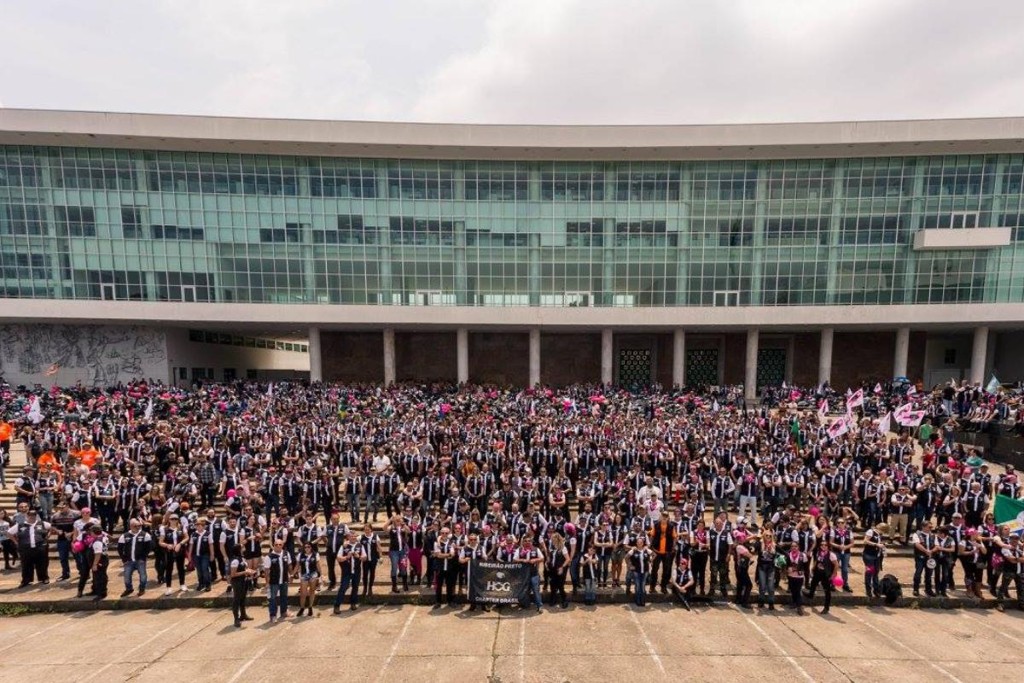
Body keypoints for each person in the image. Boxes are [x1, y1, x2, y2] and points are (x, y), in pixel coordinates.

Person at [14, 507, 51, 587]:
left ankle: (44, 578)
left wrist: (48, 536)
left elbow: (52, 528)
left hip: (40, 547)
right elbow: (9, 533)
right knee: (26, 565)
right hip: (26, 548)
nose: (32, 516)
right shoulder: (20, 525)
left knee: (42, 564)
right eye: (30, 515)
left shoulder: (42, 523)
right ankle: (26, 580)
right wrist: (16, 542)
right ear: (27, 516)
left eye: (34, 515)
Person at [117, 518, 152, 597]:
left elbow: (149, 547)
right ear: (131, 526)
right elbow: (120, 548)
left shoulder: (145, 535)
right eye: (135, 526)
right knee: (127, 576)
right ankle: (129, 588)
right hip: (128, 560)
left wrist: (143, 557)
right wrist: (124, 559)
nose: (138, 527)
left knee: (143, 575)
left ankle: (142, 588)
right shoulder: (124, 536)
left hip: (140, 560)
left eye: (139, 525)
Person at [333, 530, 365, 613]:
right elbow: (338, 558)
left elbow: (365, 558)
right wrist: (347, 557)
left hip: (357, 570)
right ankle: (337, 605)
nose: (353, 538)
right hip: (346, 570)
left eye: (355, 536)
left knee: (355, 587)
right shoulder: (344, 546)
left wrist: (359, 556)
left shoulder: (360, 545)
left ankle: (353, 603)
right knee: (343, 587)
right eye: (351, 536)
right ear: (348, 537)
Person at [158, 514, 189, 595]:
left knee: (181, 568)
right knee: (169, 569)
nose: (174, 520)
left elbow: (187, 537)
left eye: (175, 519)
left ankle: (182, 584)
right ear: (169, 519)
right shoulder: (164, 529)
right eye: (172, 519)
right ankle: (168, 587)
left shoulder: (181, 527)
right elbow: (160, 542)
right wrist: (167, 545)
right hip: (169, 551)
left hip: (180, 550)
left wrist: (180, 544)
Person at [805, 539, 838, 615]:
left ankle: (826, 607)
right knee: (813, 583)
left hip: (826, 574)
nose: (823, 546)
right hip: (818, 572)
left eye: (825, 545)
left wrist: (833, 574)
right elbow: (817, 560)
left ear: (828, 546)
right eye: (822, 545)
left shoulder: (831, 555)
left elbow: (836, 565)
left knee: (827, 591)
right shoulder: (819, 552)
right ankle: (811, 594)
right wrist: (813, 567)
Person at [263, 539, 292, 623]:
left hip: (284, 580)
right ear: (273, 545)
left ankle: (284, 612)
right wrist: (267, 582)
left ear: (282, 545)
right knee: (273, 599)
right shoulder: (269, 556)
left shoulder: (286, 554)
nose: (278, 546)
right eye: (276, 544)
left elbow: (289, 564)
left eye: (280, 544)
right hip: (273, 581)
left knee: (284, 597)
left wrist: (291, 574)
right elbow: (266, 571)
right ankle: (273, 615)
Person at [227, 545, 254, 627]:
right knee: (236, 600)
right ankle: (236, 619)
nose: (244, 548)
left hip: (244, 581)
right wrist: (245, 572)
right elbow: (233, 574)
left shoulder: (242, 558)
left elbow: (244, 569)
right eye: (242, 547)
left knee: (242, 599)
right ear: (238, 550)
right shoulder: (235, 560)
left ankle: (243, 615)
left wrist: (250, 572)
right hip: (237, 582)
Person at [432, 526, 459, 609]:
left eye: (446, 533)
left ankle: (450, 601)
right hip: (440, 567)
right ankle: (438, 602)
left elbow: (453, 555)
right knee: (439, 586)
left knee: (449, 585)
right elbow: (438, 555)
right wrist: (447, 555)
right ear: (440, 533)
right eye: (442, 533)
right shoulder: (436, 543)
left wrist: (443, 555)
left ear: (449, 534)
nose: (444, 534)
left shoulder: (452, 543)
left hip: (449, 568)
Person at [294, 541, 321, 617]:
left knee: (312, 591)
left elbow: (318, 566)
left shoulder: (316, 555)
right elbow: (297, 565)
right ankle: (302, 608)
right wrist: (292, 574)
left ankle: (310, 607)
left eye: (308, 546)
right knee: (303, 593)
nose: (307, 548)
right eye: (305, 547)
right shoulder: (300, 555)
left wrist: (320, 576)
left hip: (313, 574)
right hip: (304, 574)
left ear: (311, 547)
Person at [626, 536, 653, 607]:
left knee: (643, 586)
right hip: (636, 571)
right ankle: (638, 600)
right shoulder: (633, 550)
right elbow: (626, 557)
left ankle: (643, 601)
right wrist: (630, 565)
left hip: (645, 571)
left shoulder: (646, 550)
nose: (639, 543)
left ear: (643, 543)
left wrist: (650, 560)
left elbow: (654, 555)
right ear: (636, 543)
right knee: (638, 586)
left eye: (641, 542)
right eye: (638, 542)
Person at [546, 532, 570, 608]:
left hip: (560, 569)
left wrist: (562, 567)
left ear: (557, 539)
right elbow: (550, 558)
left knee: (560, 586)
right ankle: (553, 599)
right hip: (552, 569)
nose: (552, 540)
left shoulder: (563, 548)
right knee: (552, 585)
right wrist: (547, 563)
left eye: (553, 539)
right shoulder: (552, 548)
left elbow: (567, 559)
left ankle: (564, 600)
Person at [863, 522, 887, 599]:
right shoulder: (871, 531)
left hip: (877, 556)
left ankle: (876, 590)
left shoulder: (880, 534)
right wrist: (876, 544)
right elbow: (865, 541)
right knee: (869, 572)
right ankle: (868, 590)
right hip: (869, 555)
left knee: (876, 572)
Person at [784, 542, 807, 616]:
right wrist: (787, 569)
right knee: (793, 590)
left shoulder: (802, 555)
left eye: (795, 546)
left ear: (798, 547)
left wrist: (803, 572)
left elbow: (806, 566)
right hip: (790, 575)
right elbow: (785, 565)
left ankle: (800, 607)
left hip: (799, 576)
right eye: (792, 546)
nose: (794, 547)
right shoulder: (788, 554)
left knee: (798, 591)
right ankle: (794, 603)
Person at [88, 523, 109, 601]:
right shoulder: (103, 537)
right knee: (96, 576)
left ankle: (102, 593)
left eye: (91, 531)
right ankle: (96, 590)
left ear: (94, 532)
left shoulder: (97, 541)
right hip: (103, 559)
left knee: (100, 577)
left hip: (100, 560)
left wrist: (95, 564)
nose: (90, 533)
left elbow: (98, 554)